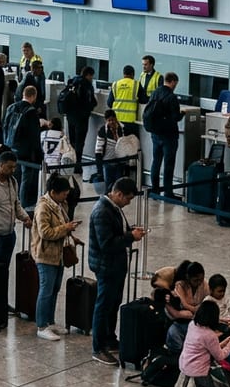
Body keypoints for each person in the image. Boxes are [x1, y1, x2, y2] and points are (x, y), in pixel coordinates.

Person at [88, 177, 146, 365]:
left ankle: (109, 338)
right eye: (128, 199)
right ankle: (98, 347)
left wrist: (130, 230)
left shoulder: (114, 208)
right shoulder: (101, 211)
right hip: (106, 266)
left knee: (114, 303)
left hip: (116, 265)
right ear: (118, 194)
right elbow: (106, 244)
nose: (129, 203)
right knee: (103, 306)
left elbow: (116, 231)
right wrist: (130, 236)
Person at [33, 175, 81, 341]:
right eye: (63, 194)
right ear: (53, 192)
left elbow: (59, 228)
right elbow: (45, 232)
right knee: (46, 290)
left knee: (54, 289)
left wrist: (71, 235)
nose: (65, 197)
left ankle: (50, 321)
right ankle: (41, 325)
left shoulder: (60, 205)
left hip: (58, 253)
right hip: (45, 254)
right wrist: (66, 227)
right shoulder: (43, 207)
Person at [173, 301, 230, 387]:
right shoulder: (210, 335)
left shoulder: (192, 325)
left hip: (184, 362)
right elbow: (220, 356)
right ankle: (196, 383)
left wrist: (224, 343)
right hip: (199, 370)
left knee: (191, 370)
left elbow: (202, 347)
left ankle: (187, 378)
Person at [143, 71, 183, 199]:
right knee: (169, 164)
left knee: (156, 161)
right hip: (169, 135)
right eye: (175, 83)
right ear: (172, 82)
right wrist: (183, 114)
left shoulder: (155, 92)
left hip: (155, 134)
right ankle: (168, 192)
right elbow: (176, 117)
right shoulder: (171, 97)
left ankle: (154, 190)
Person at [4, 85, 44, 210]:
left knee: (14, 177)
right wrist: (39, 154)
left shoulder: (11, 107)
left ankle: (12, 202)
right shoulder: (31, 112)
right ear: (33, 96)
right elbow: (34, 136)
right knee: (27, 178)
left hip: (11, 147)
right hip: (26, 151)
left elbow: (5, 126)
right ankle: (24, 205)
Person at [94, 110, 136, 189]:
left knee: (119, 186)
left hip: (120, 163)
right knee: (109, 186)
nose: (111, 122)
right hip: (107, 163)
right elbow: (98, 150)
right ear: (106, 120)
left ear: (116, 118)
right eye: (109, 120)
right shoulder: (102, 131)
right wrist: (99, 170)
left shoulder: (123, 129)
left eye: (113, 120)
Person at [64, 67, 97, 166]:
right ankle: (78, 164)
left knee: (72, 141)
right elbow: (91, 102)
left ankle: (72, 161)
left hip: (70, 117)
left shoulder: (72, 82)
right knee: (80, 142)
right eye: (91, 76)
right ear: (88, 75)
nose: (92, 79)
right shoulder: (87, 85)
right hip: (82, 118)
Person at [106, 65, 141, 133]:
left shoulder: (116, 84)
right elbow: (144, 100)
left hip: (116, 120)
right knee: (130, 142)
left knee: (117, 141)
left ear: (123, 74)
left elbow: (109, 103)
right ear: (132, 74)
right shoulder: (136, 84)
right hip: (130, 121)